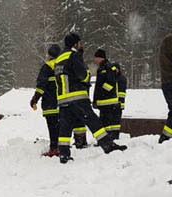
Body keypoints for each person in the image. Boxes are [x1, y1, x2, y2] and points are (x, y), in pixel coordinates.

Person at [55, 33, 127, 163]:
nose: (80, 45)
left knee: (65, 127)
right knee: (93, 121)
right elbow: (82, 75)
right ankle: (108, 145)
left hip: (63, 99)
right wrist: (87, 74)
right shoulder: (74, 55)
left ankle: (64, 154)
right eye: (79, 43)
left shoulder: (59, 58)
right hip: (76, 96)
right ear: (75, 44)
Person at [30, 44, 61, 156]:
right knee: (61, 126)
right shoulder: (63, 65)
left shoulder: (47, 67)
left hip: (50, 102)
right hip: (63, 102)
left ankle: (54, 148)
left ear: (50, 55)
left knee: (52, 127)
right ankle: (63, 146)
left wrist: (35, 99)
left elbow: (41, 86)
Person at [92, 49, 121, 140]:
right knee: (104, 121)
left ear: (100, 58)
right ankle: (107, 138)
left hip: (107, 101)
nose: (95, 59)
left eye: (96, 57)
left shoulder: (107, 67)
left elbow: (111, 82)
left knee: (106, 121)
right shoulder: (102, 67)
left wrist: (102, 92)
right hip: (104, 101)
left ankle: (107, 138)